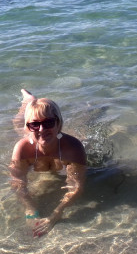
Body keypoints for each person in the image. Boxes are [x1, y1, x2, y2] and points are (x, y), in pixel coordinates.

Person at [10, 90, 87, 237]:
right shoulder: (22, 148)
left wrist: (56, 214)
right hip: (31, 139)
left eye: (48, 122)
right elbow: (17, 183)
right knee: (17, 123)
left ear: (58, 123)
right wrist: (30, 209)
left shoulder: (73, 148)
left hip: (61, 143)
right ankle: (29, 99)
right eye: (34, 124)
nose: (42, 129)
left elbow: (77, 186)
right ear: (29, 127)